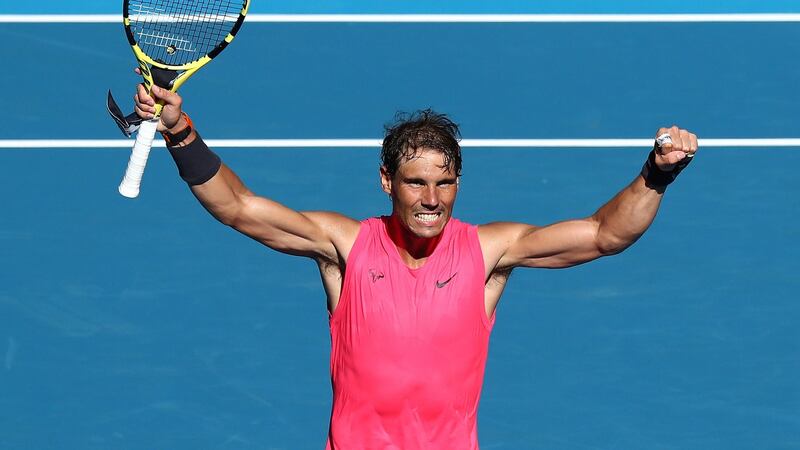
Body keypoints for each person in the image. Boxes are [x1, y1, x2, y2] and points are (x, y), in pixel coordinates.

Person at [133, 83, 698, 449]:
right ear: (387, 182)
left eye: (445, 183)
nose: (432, 199)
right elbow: (238, 207)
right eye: (417, 183)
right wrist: (180, 133)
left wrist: (657, 174)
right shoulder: (345, 246)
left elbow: (604, 235)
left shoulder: (489, 252)